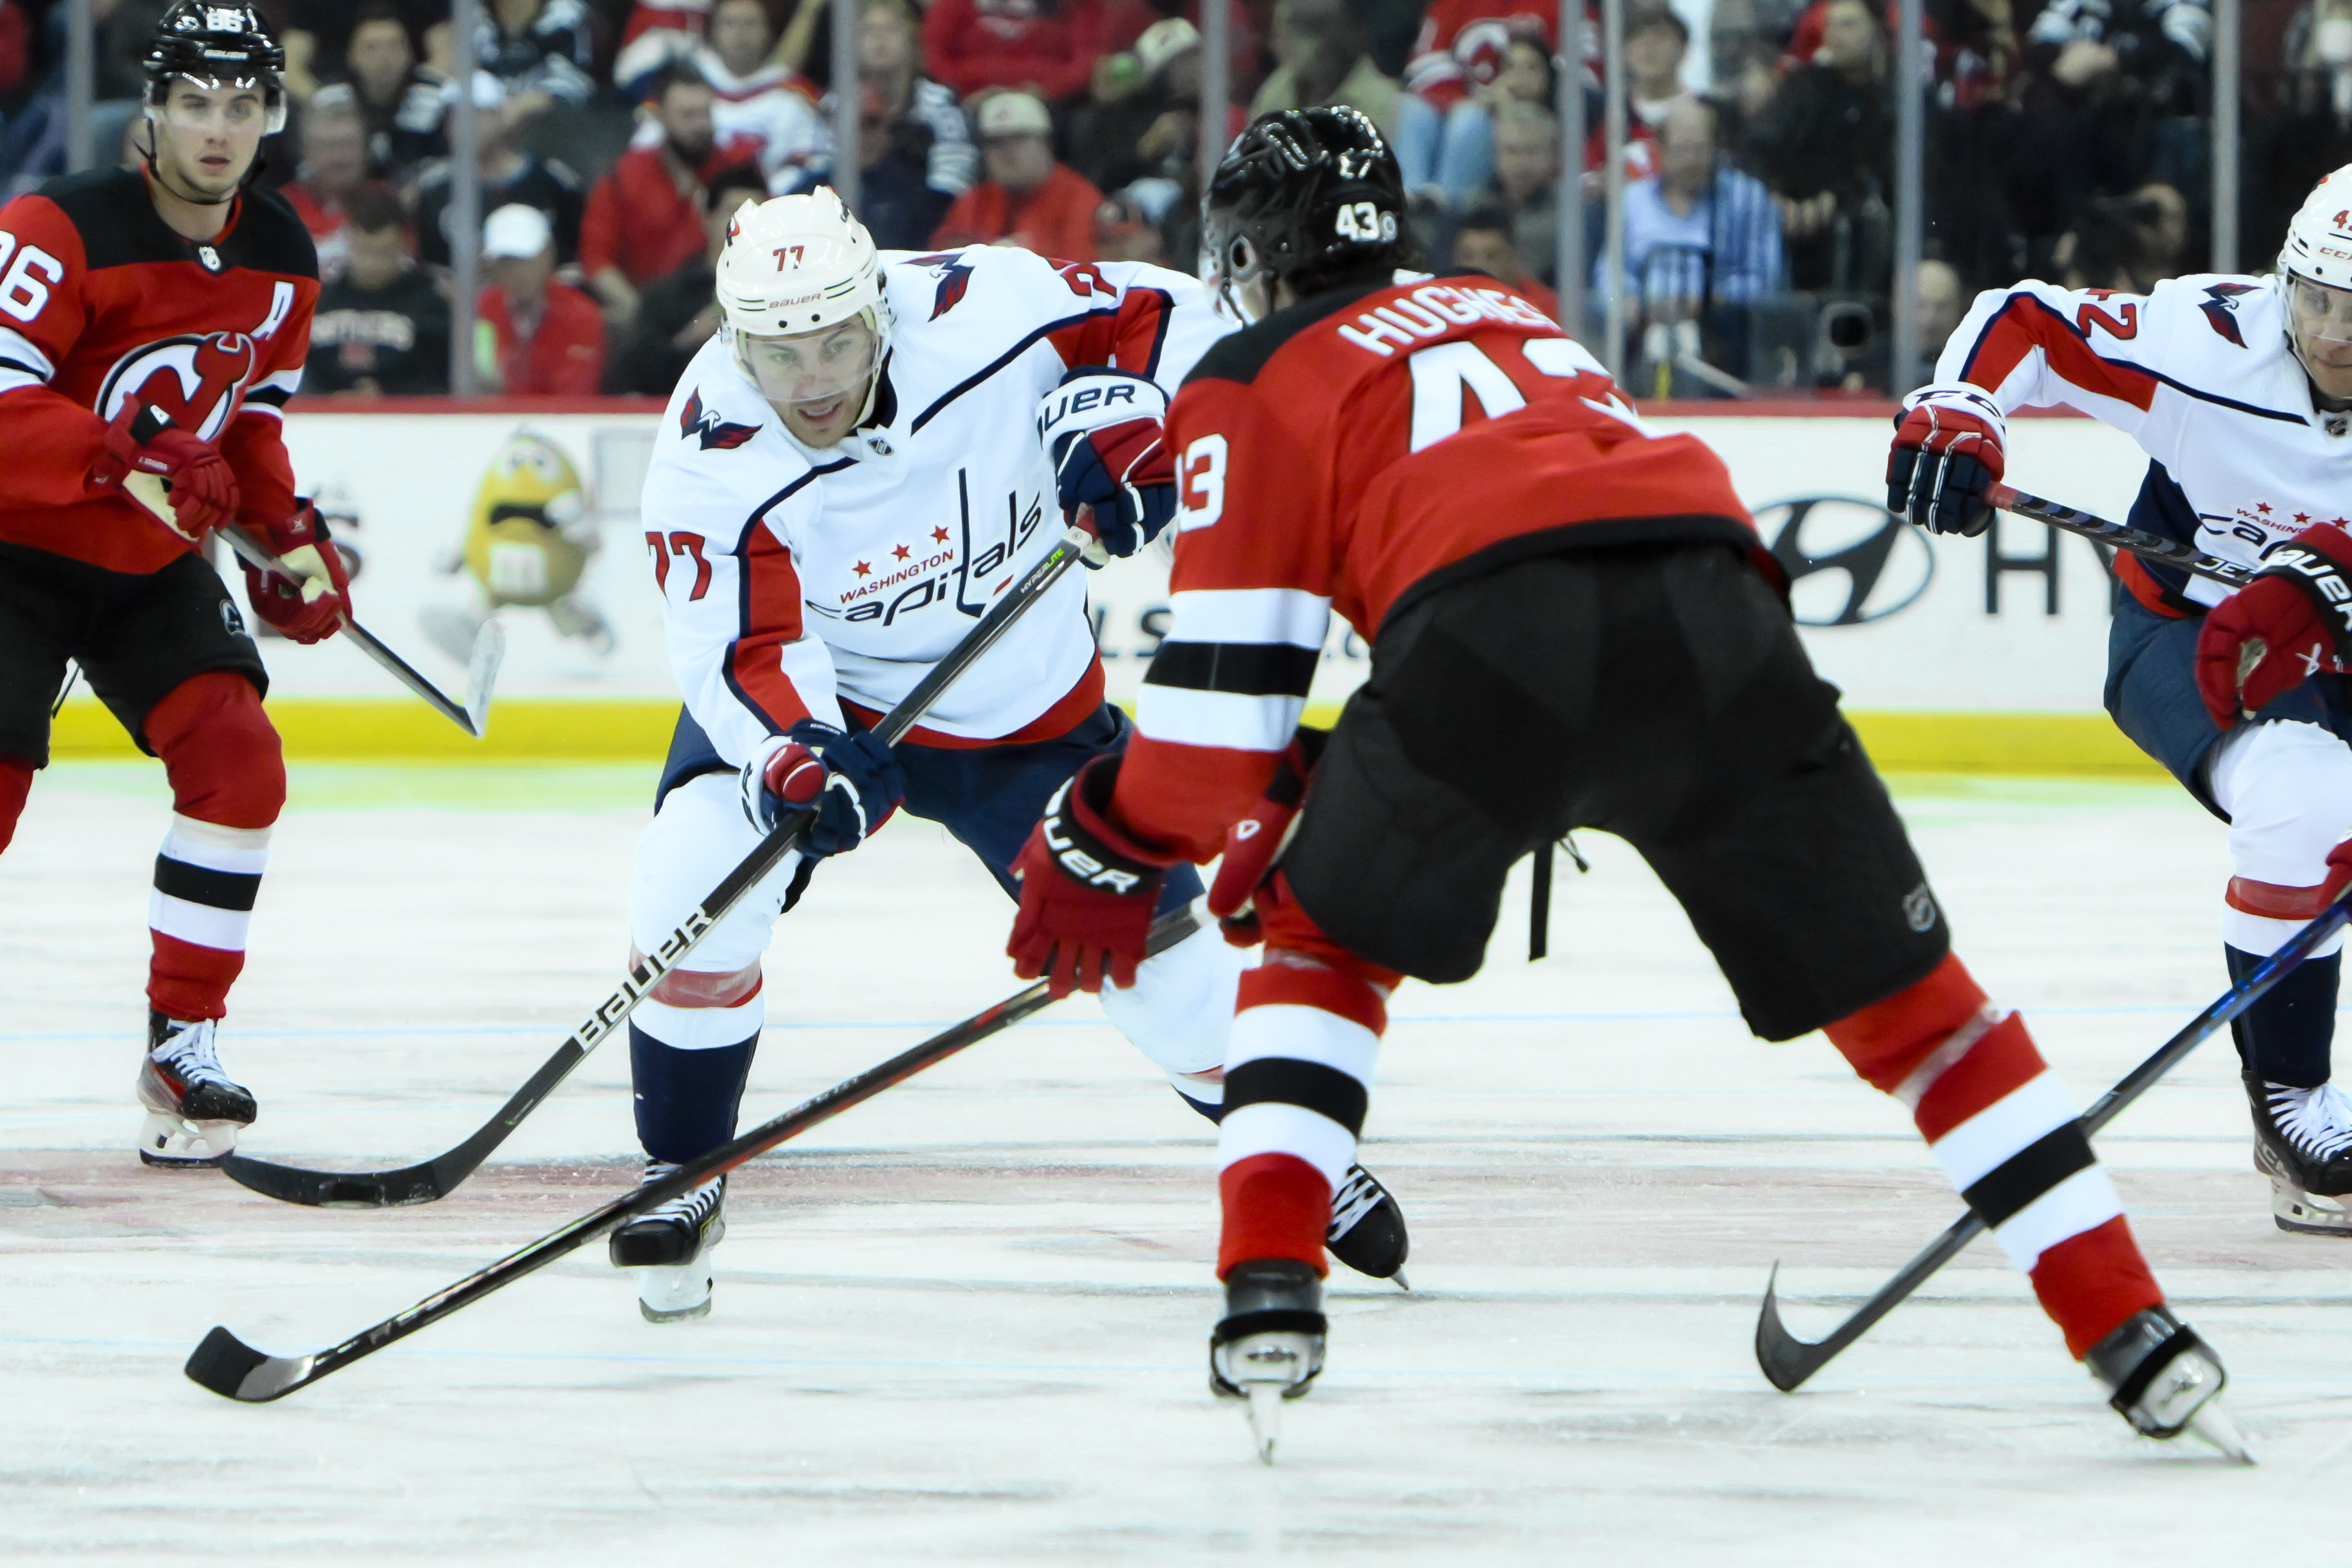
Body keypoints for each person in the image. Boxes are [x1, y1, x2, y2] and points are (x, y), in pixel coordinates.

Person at [1001, 107, 2244, 1460]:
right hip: (1716, 607)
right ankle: (2131, 1324)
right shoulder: (1511, 312)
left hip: (1488, 648)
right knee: (1923, 1015)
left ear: (1247, 253)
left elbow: (1212, 724)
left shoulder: (1248, 370)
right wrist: (1323, 766)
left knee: (1321, 942)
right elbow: (1544, 531)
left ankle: (1269, 1290)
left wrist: (1106, 838)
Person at [611, 187, 1412, 1323]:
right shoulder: (709, 442)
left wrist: (1137, 419)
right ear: (736, 338)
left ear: (877, 307)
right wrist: (798, 751)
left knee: (1162, 963)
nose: (814, 378)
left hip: (1022, 712)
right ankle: (681, 1169)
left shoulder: (988, 307)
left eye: (836, 339)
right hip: (835, 710)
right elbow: (738, 639)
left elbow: (1175, 318)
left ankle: (1300, 1156)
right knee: (691, 876)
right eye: (779, 352)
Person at [1889, 167, 2352, 1242]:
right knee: (2302, 806)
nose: (2330, 332)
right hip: (2195, 638)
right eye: (2315, 296)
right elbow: (2028, 322)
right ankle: (2290, 1101)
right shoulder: (2206, 350)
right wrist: (1961, 409)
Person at [0, 3, 347, 1169]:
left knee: (240, 764)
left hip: (143, 562)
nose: (216, 127)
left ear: (271, 117)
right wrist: (129, 451)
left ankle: (183, 1041)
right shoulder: (55, 226)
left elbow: (247, 434)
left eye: (241, 104)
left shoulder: (284, 257)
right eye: (195, 102)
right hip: (14, 545)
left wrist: (290, 548)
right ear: (152, 108)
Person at [582, 65, 753, 329]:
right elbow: (596, 260)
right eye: (688, 116)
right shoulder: (623, 179)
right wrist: (644, 316)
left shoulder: (738, 175)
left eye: (705, 114)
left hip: (727, 312)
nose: (701, 125)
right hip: (648, 313)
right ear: (660, 116)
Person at [606, 163, 769, 395]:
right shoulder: (668, 297)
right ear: (707, 218)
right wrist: (687, 339)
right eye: (734, 211)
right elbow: (628, 378)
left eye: (757, 213)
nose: (746, 224)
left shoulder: (784, 293)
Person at [412, 72, 585, 267]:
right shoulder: (433, 188)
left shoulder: (553, 182)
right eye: (455, 117)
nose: (466, 126)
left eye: (478, 115)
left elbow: (572, 259)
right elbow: (431, 267)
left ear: (500, 116)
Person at [1397, 0, 1555, 207]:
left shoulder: (1554, 6)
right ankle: (1409, 204)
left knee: (1470, 120)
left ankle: (1451, 212)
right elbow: (1423, 71)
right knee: (1412, 110)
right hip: (1467, 103)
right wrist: (1477, 100)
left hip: (1530, 109)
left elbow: (1573, 70)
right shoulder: (1452, 5)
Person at [305, 182, 452, 395]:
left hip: (406, 419)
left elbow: (442, 380)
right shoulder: (320, 302)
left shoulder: (431, 304)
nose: (372, 263)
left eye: (384, 252)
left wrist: (389, 394)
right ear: (349, 242)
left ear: (404, 245)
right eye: (364, 251)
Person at [929, 90, 1104, 256]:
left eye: (1018, 139)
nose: (1007, 152)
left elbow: (1080, 273)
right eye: (996, 143)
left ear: (1047, 144)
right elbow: (941, 264)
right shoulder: (974, 200)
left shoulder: (1079, 199)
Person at [783, 82, 950, 250]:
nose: (859, 134)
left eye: (871, 122)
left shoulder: (917, 195)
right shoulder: (808, 192)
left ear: (888, 126)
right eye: (848, 124)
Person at [859, 0, 979, 210]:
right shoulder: (838, 104)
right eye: (869, 30)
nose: (879, 39)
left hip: (923, 221)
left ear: (912, 40)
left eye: (891, 29)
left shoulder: (940, 102)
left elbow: (953, 184)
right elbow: (822, 171)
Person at [477, 202, 604, 394]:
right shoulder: (483, 311)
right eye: (506, 263)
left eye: (526, 260)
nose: (517, 272)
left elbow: (575, 398)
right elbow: (480, 386)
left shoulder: (581, 316)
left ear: (548, 256)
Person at [701, 0, 827, 191]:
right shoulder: (687, 89)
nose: (740, 33)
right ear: (713, 32)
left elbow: (814, 162)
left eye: (750, 23)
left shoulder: (795, 97)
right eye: (730, 23)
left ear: (768, 31)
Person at [320, 1, 450, 185]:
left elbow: (447, 163)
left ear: (410, 54)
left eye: (394, 46)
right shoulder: (331, 99)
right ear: (352, 56)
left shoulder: (435, 96)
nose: (384, 58)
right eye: (372, 47)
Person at [1251, 0, 1403, 140]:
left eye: (1282, 36)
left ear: (1316, 42)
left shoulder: (1382, 102)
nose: (1274, 45)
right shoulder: (1277, 90)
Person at [919, 0, 1107, 105]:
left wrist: (1046, 92)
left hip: (1051, 102)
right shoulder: (954, 4)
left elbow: (1085, 61)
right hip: (969, 100)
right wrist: (966, 94)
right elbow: (935, 54)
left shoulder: (1075, 6)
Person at [280, 92, 369, 281]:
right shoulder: (280, 210)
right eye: (330, 146)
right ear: (306, 152)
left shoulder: (385, 205)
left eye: (349, 144)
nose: (341, 158)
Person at [1451, 199, 1558, 319]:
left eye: (1491, 256)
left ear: (1514, 255)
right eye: (1468, 257)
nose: (1479, 266)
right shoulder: (1440, 306)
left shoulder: (1546, 309)